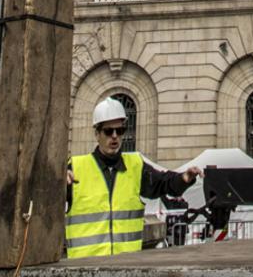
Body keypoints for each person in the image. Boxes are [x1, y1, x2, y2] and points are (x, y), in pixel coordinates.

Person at [67, 97, 201, 258]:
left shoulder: (136, 166)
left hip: (125, 267)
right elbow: (44, 199)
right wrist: (56, 184)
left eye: (120, 130)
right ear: (97, 134)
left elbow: (165, 183)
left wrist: (184, 178)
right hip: (84, 269)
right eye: (109, 131)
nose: (115, 136)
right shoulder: (76, 167)